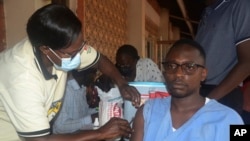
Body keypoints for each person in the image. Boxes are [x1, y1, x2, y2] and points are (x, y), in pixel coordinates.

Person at [0, 4, 141, 141]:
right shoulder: (22, 78)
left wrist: (122, 84)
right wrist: (100, 133)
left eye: (81, 46)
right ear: (45, 49)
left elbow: (99, 60)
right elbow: (40, 139)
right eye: (72, 53)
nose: (80, 55)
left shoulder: (63, 48)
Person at [130, 39, 244, 141]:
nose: (178, 74)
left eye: (189, 67)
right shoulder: (147, 112)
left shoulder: (230, 119)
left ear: (203, 74)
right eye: (171, 66)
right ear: (164, 72)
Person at [195, 0, 250, 118]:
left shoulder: (240, 5)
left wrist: (209, 100)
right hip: (202, 92)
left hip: (223, 93)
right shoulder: (208, 12)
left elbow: (247, 62)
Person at [52, 68, 99, 134]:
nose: (95, 75)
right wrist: (91, 118)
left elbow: (84, 112)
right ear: (81, 71)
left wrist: (98, 109)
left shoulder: (81, 88)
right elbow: (60, 127)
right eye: (93, 71)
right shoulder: (65, 90)